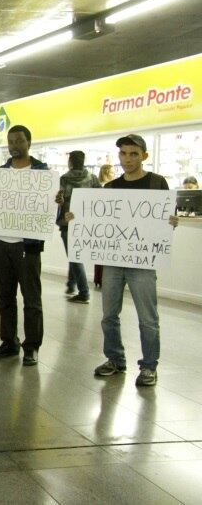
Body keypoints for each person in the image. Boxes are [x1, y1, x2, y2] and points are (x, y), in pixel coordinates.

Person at [66, 134, 178, 387]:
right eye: (123, 154)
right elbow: (97, 220)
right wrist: (77, 218)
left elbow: (165, 220)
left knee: (148, 318)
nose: (127, 159)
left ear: (144, 156)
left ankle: (149, 366)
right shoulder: (111, 188)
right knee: (109, 315)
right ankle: (115, 359)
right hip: (114, 261)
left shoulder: (157, 183)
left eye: (133, 154)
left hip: (143, 262)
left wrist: (171, 221)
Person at [0, 125, 49, 366]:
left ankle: (31, 346)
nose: (14, 145)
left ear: (29, 143)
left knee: (31, 299)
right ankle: (9, 341)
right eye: (11, 141)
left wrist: (56, 202)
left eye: (19, 141)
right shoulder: (0, 173)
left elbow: (51, 208)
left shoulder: (42, 173)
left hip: (27, 246)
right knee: (4, 297)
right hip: (1, 243)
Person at [57, 151, 101, 304]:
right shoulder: (92, 179)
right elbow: (100, 200)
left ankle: (84, 292)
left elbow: (57, 201)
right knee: (75, 255)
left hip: (68, 223)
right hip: (86, 225)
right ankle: (71, 284)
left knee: (74, 257)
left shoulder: (64, 179)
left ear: (70, 162)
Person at [94, 164, 116, 287]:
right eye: (112, 172)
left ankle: (100, 279)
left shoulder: (112, 186)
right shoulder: (103, 186)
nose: (114, 174)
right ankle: (100, 278)